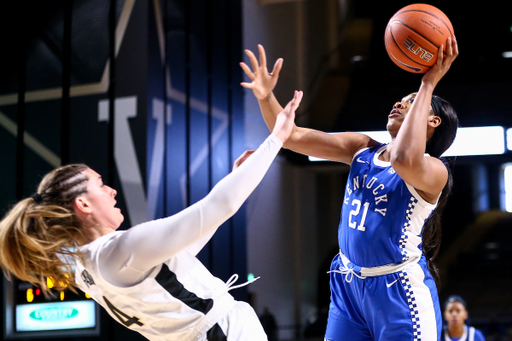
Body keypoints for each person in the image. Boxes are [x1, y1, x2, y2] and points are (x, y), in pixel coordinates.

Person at [0, 91, 303, 341]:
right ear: (83, 205)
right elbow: (219, 206)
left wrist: (238, 177)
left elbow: (181, 252)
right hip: (221, 333)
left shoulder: (85, 267)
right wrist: (276, 138)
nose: (112, 191)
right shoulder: (118, 251)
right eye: (101, 185)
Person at [240, 37, 458, 341]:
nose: (398, 103)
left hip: (399, 292)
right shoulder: (362, 148)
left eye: (409, 101)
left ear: (431, 119)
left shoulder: (435, 170)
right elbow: (292, 136)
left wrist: (429, 81)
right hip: (348, 283)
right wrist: (266, 97)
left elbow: (403, 158)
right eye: (402, 98)